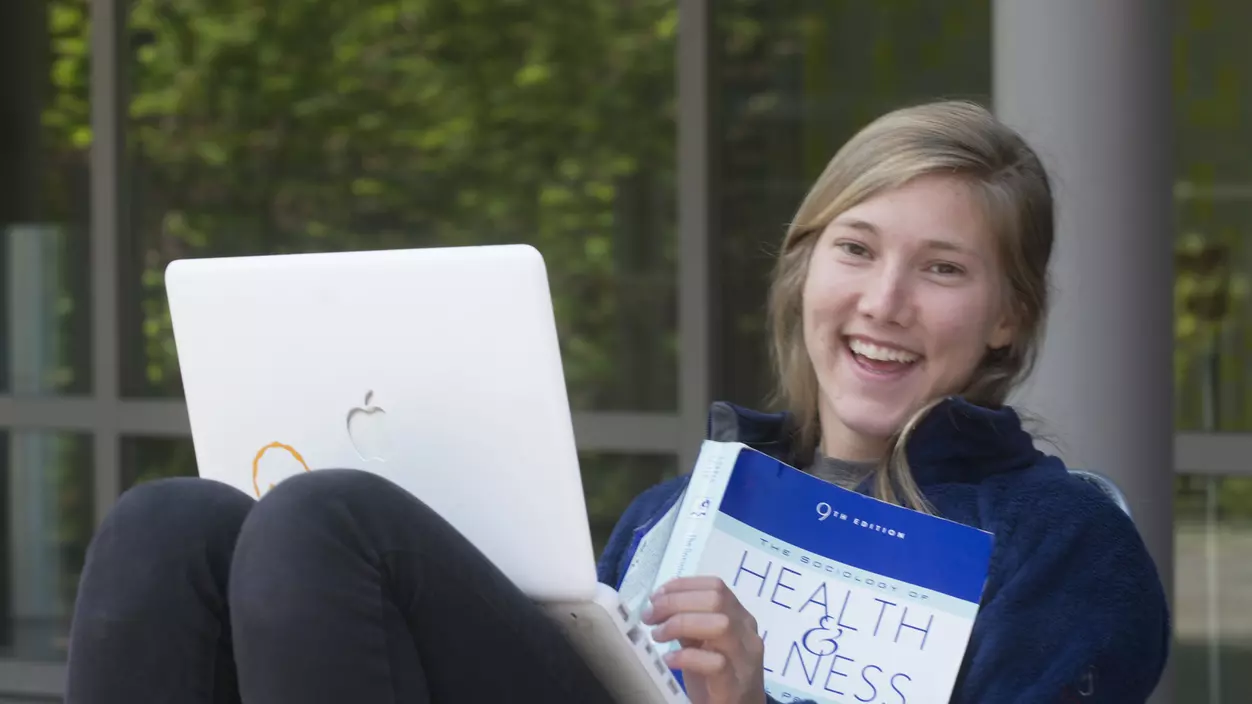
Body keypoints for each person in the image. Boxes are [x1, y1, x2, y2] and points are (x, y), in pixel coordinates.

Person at [65, 100, 1169, 704]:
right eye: (856, 248)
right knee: (171, 524)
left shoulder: (1057, 541)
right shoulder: (673, 512)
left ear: (1008, 315)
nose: (882, 301)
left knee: (324, 517)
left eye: (941, 269)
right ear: (804, 267)